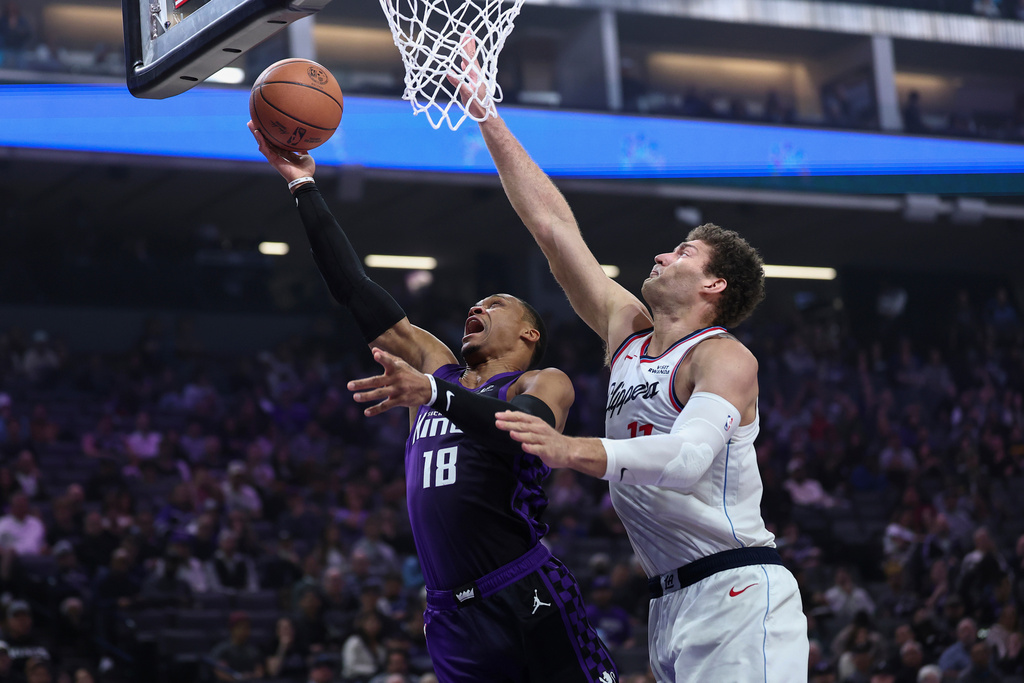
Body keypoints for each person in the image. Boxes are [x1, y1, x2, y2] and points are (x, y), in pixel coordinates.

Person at [447, 40, 808, 682]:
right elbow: (553, 229)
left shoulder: (724, 358)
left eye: (683, 253)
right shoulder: (628, 334)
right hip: (667, 603)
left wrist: (570, 450)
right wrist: (485, 113)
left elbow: (687, 460)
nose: (663, 255)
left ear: (714, 285)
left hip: (738, 591)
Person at [249, 121, 616, 683]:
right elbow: (354, 289)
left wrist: (434, 394)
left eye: (495, 303)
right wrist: (303, 186)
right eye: (476, 303)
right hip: (448, 611)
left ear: (530, 333)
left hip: (522, 588)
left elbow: (527, 431)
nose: (477, 307)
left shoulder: (541, 381)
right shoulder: (436, 368)